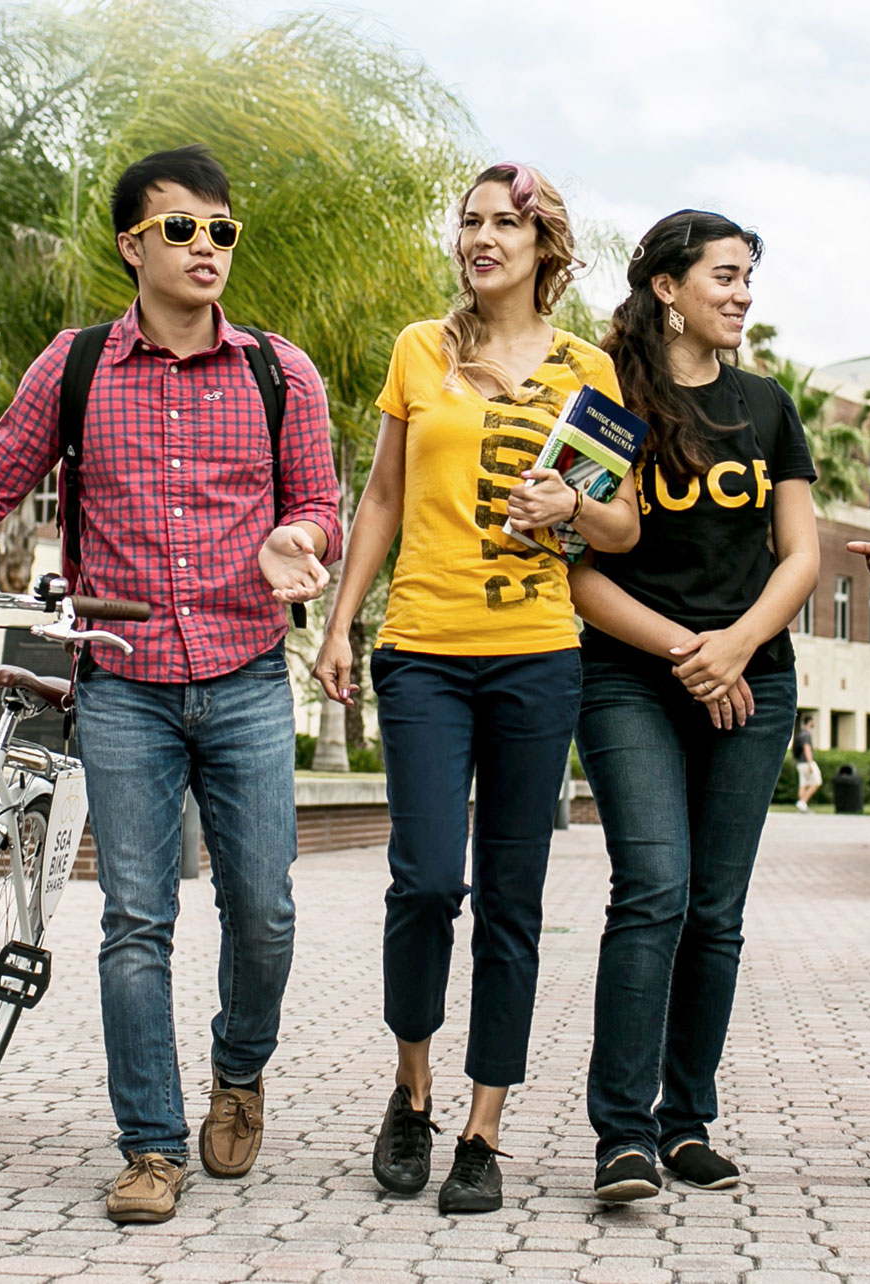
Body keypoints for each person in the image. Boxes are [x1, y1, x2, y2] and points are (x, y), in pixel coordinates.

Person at [0, 145, 341, 1223]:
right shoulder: (77, 365)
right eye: (181, 228)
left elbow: (319, 505)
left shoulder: (280, 372)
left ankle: (239, 1069)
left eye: (221, 230)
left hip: (245, 673)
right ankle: (150, 1145)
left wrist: (297, 538)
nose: (206, 247)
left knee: (265, 910)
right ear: (132, 245)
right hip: (124, 682)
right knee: (135, 918)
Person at [313, 162, 639, 1214]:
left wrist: (570, 508)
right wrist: (340, 624)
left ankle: (482, 1129)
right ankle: (410, 1094)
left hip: (537, 655)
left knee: (512, 898)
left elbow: (622, 525)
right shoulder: (423, 350)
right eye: (470, 221)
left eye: (506, 222)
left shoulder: (589, 370)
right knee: (421, 882)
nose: (482, 237)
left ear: (546, 246)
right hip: (422, 649)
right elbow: (381, 497)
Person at [564, 210, 820, 1202]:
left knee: (715, 911)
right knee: (654, 891)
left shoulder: (766, 404)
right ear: (666, 288)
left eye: (748, 277)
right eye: (724, 275)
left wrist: (739, 645)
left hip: (754, 679)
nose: (742, 294)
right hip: (632, 677)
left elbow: (800, 556)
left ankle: (685, 1124)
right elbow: (579, 572)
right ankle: (621, 1136)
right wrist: (691, 652)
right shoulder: (608, 403)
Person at [792, 714, 821, 812]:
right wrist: (810, 763)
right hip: (806, 762)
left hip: (799, 763)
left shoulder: (799, 734)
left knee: (803, 785)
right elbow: (806, 748)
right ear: (810, 722)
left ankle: (802, 806)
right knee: (817, 782)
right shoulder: (806, 734)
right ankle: (802, 802)